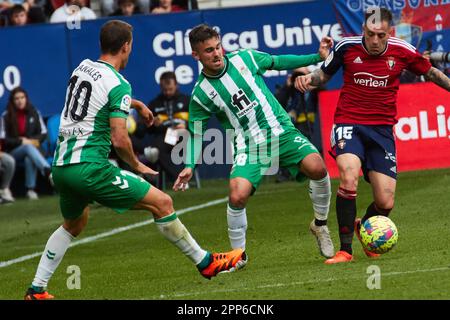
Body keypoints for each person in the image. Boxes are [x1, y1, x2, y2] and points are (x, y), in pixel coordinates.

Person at [24, 20, 244, 300]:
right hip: (90, 168)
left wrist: (135, 103)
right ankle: (206, 263)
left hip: (62, 167)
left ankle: (36, 290)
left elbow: (97, 96)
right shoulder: (119, 84)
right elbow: (119, 138)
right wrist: (136, 165)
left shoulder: (82, 67)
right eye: (131, 48)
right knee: (162, 202)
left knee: (74, 224)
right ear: (126, 46)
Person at [173, 24, 335, 271]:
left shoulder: (245, 58)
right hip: (249, 146)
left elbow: (278, 61)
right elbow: (196, 134)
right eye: (208, 51)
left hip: (281, 131)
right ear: (196, 55)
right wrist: (188, 165)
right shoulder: (200, 94)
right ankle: (239, 255)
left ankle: (320, 225)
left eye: (218, 47)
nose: (216, 54)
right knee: (237, 195)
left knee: (317, 166)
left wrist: (317, 56)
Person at [295, 7, 450, 264]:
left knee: (385, 201)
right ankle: (345, 251)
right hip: (349, 123)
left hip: (382, 130)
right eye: (370, 34)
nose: (375, 41)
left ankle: (364, 226)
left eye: (380, 35)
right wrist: (308, 79)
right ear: (363, 31)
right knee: (348, 179)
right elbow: (323, 74)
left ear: (389, 32)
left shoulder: (403, 50)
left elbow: (430, 72)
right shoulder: (346, 47)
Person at [1, 87, 52, 200]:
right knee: (27, 147)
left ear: (26, 99)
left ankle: (30, 190)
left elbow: (43, 133)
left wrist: (31, 141)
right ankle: (47, 170)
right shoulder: (6, 116)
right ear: (12, 101)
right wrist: (21, 141)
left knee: (29, 157)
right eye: (17, 98)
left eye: (22, 97)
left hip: (34, 150)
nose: (20, 101)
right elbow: (4, 139)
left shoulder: (34, 112)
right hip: (14, 152)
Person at [145, 71, 189, 187]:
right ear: (161, 87)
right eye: (165, 90)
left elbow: (200, 122)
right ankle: (179, 178)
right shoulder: (154, 104)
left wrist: (187, 125)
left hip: (184, 136)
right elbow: (148, 130)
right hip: (165, 137)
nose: (168, 92)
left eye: (170, 89)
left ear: (176, 85)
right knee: (154, 152)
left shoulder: (187, 101)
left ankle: (181, 178)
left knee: (200, 146)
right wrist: (153, 123)